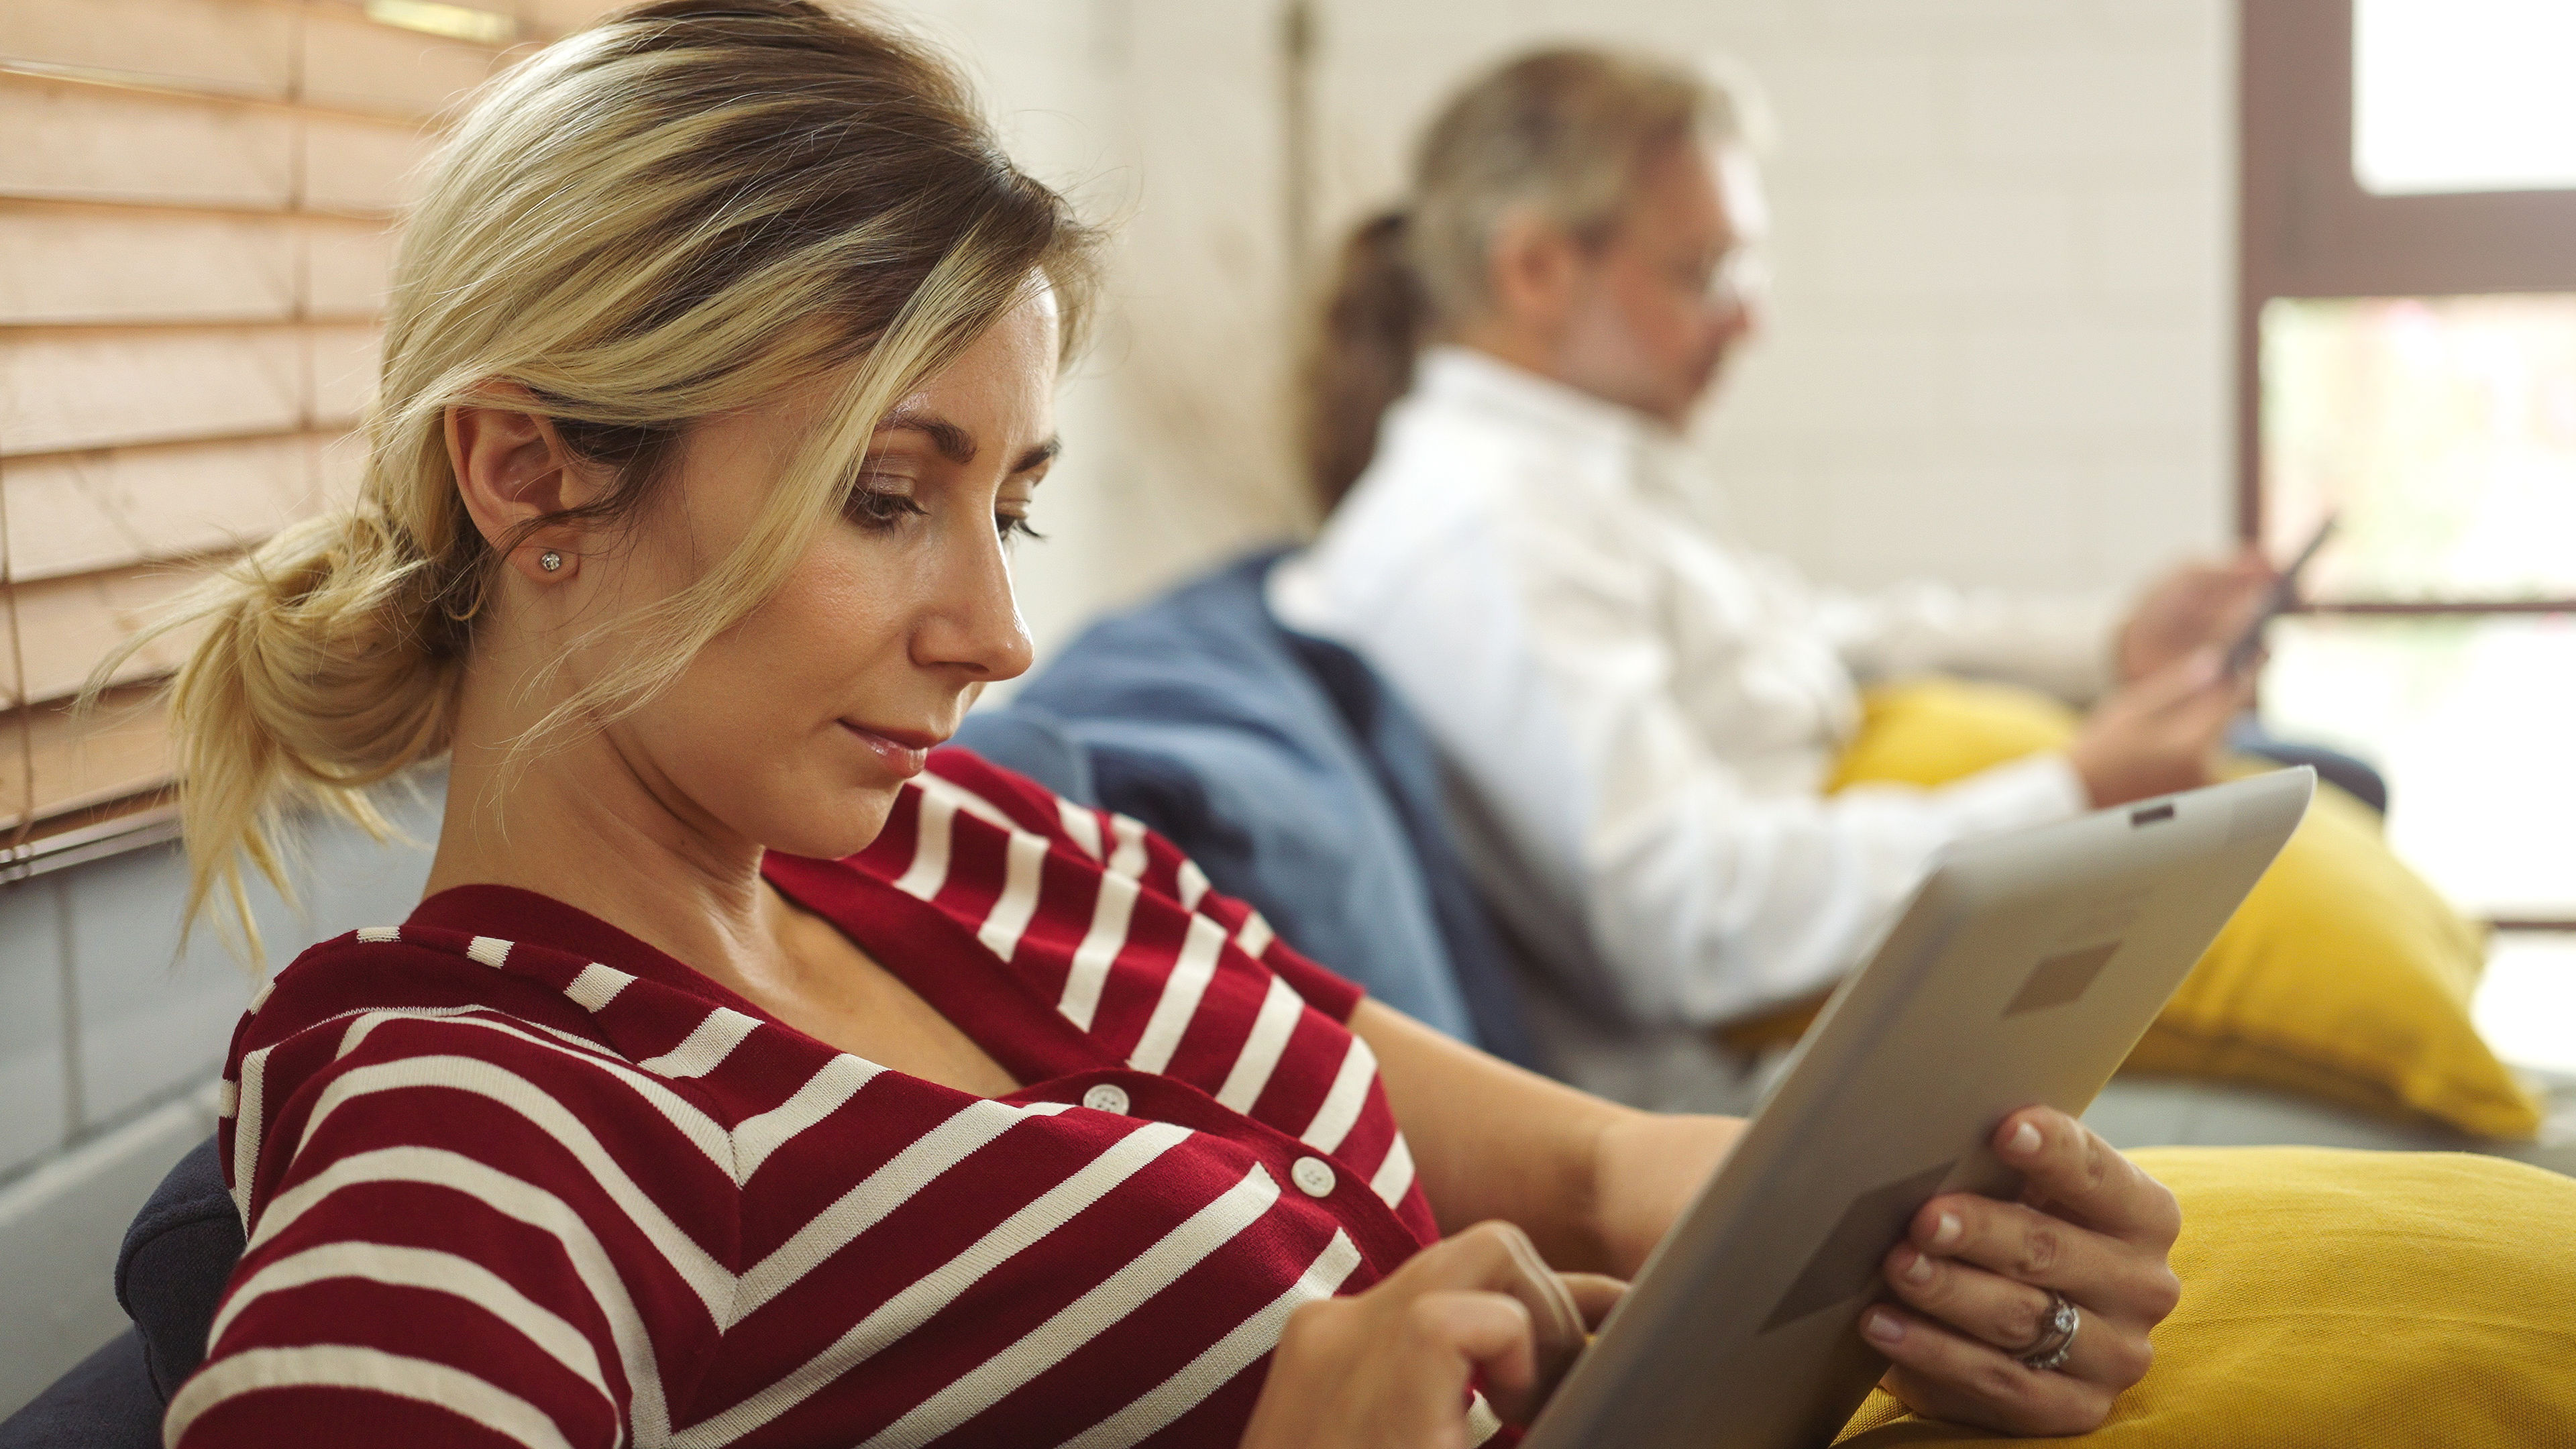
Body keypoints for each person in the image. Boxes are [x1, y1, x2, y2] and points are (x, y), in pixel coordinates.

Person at [127, 4, 2184, 1444]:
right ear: (532, 478)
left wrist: (1918, 1253)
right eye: (886, 496)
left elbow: (1613, 1169)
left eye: (1006, 505)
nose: (999, 631)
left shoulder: (965, 846)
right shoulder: (502, 1121)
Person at [1275, 48, 2269, 1102]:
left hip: (1832, 1016)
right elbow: (1691, 916)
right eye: (1703, 271)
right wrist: (2068, 799)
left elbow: (1812, 632)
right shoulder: (1485, 538)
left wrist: (2108, 649)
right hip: (1755, 1093)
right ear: (1536, 272)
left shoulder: (1585, 476)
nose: (1749, 320)